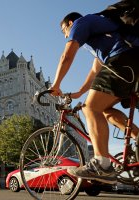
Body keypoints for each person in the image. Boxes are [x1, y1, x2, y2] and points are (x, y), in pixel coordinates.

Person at [49, 12, 139, 184]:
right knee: (103, 109)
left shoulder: (81, 23)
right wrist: (78, 93)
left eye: (64, 31)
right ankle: (137, 136)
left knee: (90, 108)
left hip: (122, 60)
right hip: (130, 63)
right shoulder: (102, 38)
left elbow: (66, 56)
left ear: (70, 23)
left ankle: (102, 165)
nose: (66, 35)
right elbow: (94, 72)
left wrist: (56, 84)